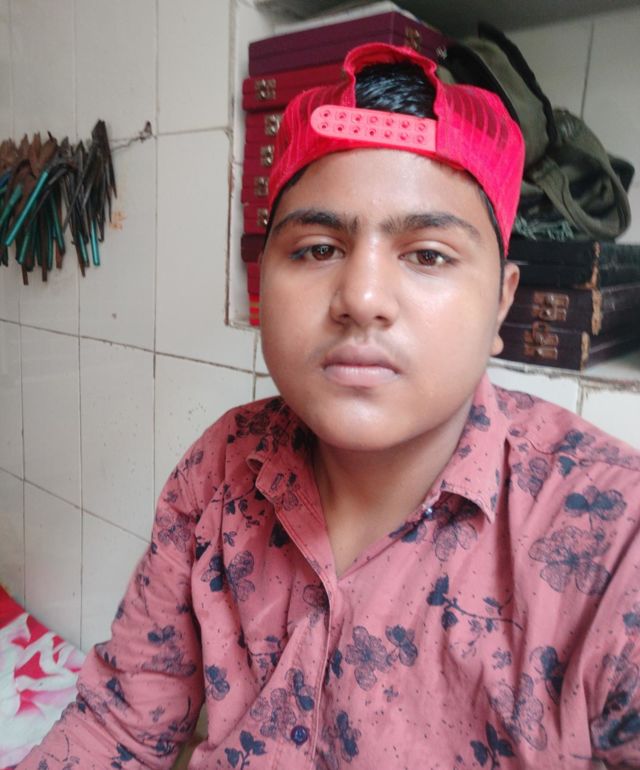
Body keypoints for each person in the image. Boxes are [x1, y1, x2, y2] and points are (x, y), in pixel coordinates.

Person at [18, 42, 640, 770]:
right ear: (264, 279)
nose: (362, 298)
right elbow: (120, 727)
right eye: (317, 249)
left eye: (428, 254)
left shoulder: (611, 544)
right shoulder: (222, 469)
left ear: (502, 302)